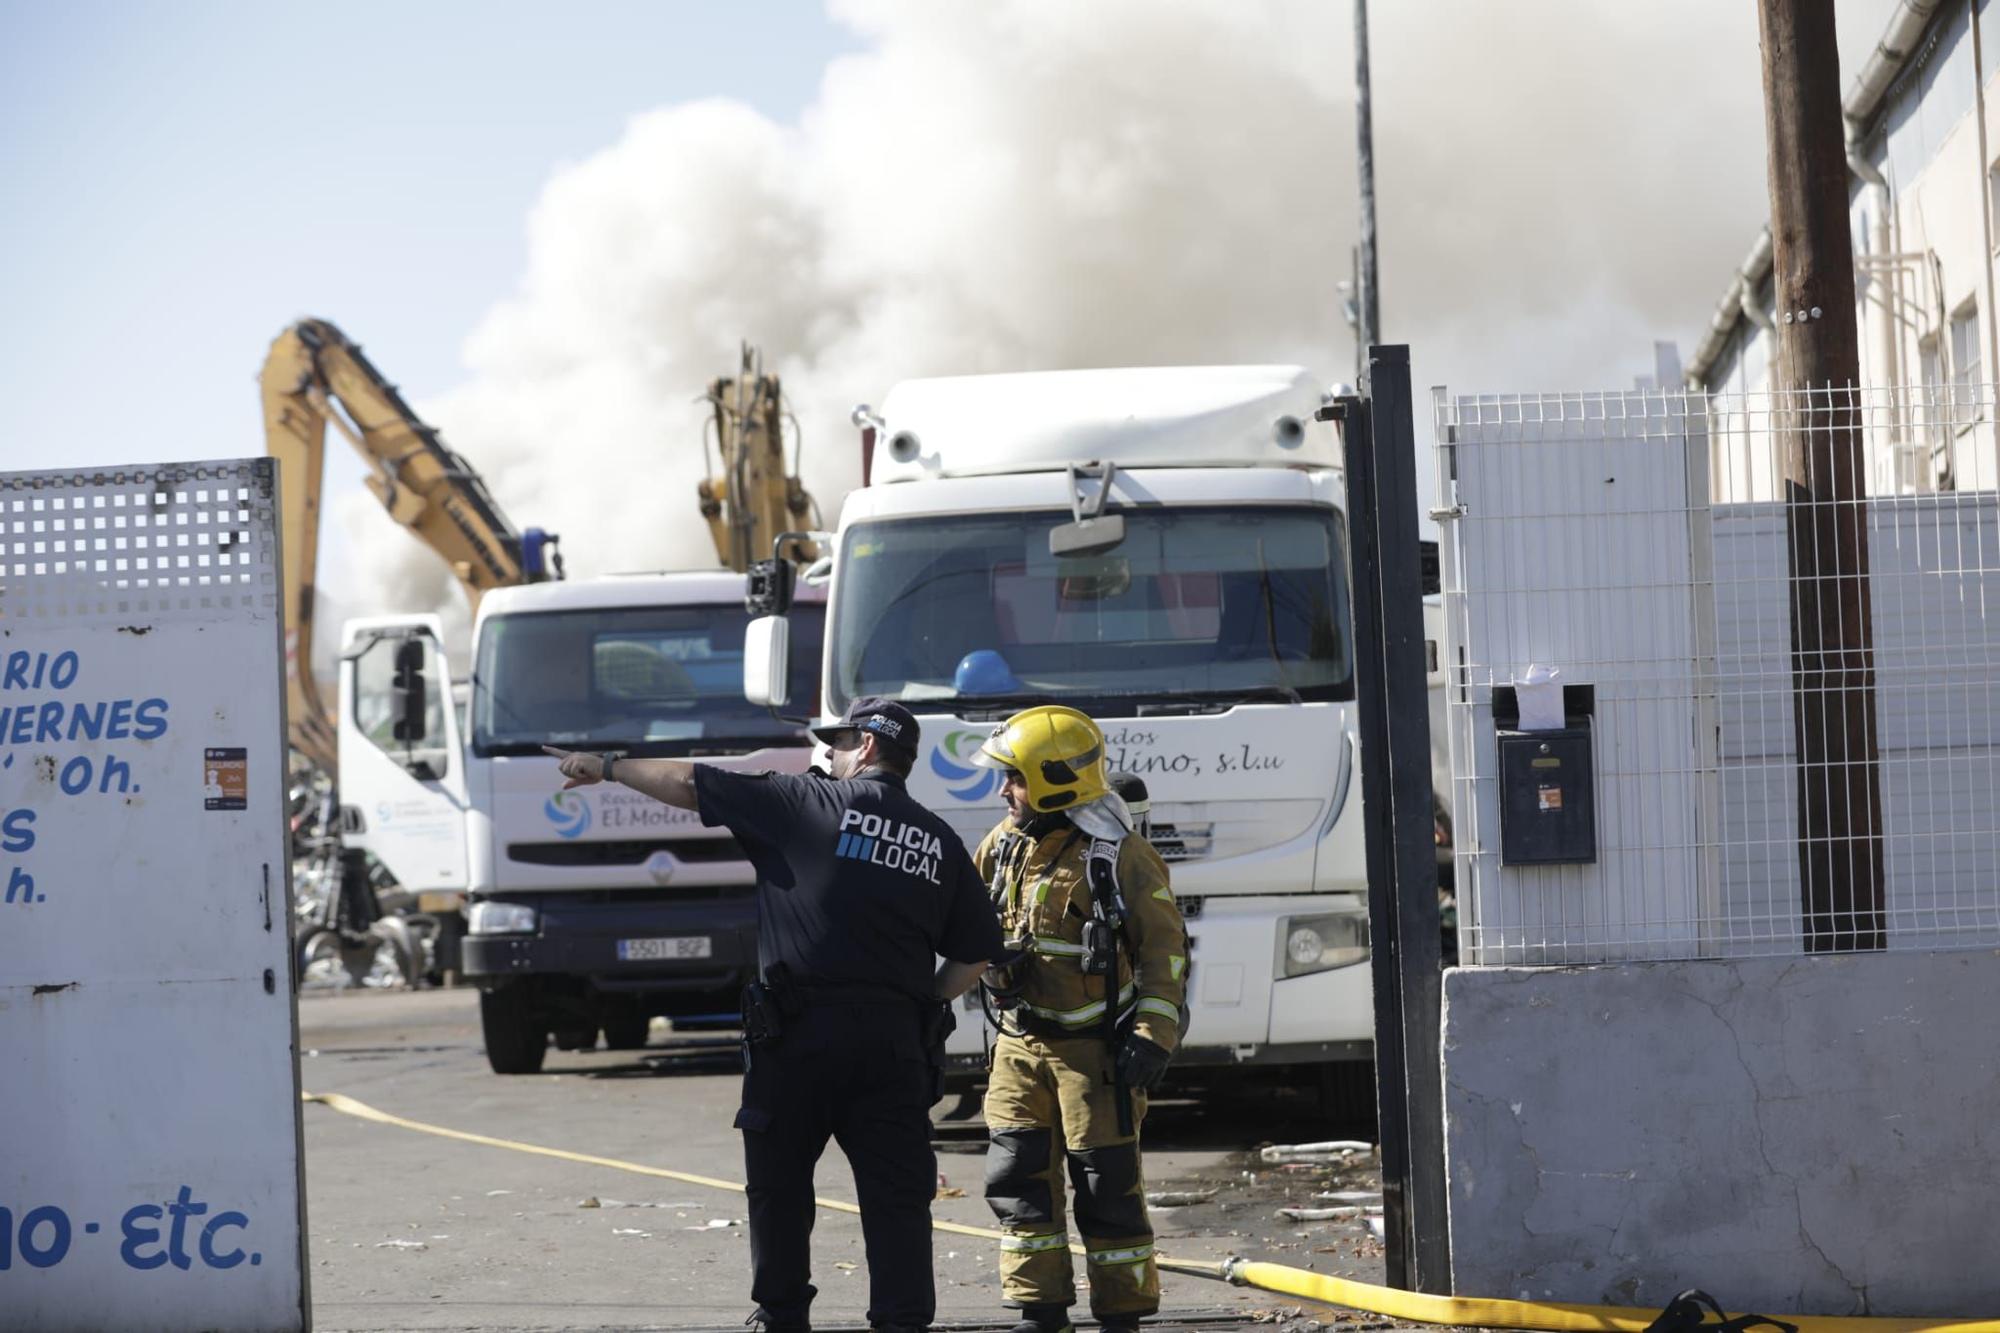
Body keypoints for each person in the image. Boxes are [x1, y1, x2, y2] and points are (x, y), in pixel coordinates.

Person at [545, 696, 1004, 1333]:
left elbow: (688, 782)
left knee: (780, 1190)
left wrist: (610, 766)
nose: (831, 754)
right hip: (894, 1045)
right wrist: (921, 1001)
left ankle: (783, 1316)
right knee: (897, 1200)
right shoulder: (939, 840)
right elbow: (976, 955)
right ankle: (902, 1323)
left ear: (866, 748)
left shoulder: (802, 803)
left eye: (839, 743)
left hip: (798, 1041)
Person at [967, 706, 1189, 1333]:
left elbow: (1165, 952)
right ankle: (1039, 1314)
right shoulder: (1000, 848)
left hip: (1095, 1056)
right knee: (1016, 1180)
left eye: (1014, 778)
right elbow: (964, 922)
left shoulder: (1120, 855)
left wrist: (1151, 1036)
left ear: (1053, 779)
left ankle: (1122, 1317)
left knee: (1106, 1188)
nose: (1004, 791)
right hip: (1018, 1045)